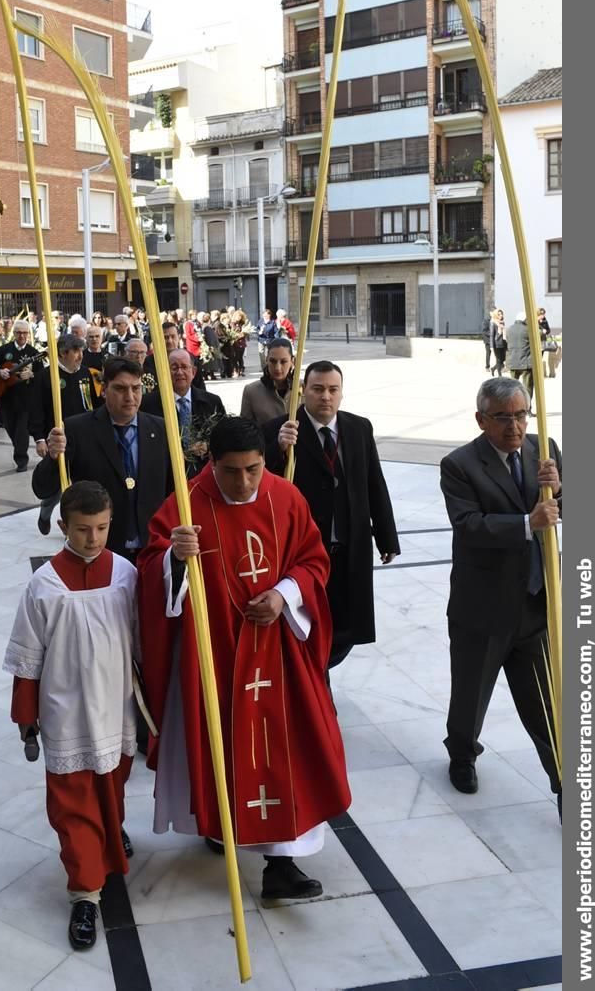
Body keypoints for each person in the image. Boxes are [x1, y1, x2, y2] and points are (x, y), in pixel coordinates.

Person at [138, 416, 351, 904]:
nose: (244, 482)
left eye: (253, 469)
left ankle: (282, 864)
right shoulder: (187, 504)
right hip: (213, 655)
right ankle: (218, 826)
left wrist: (283, 593)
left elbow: (314, 560)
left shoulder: (285, 496)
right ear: (212, 463)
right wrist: (172, 559)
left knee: (285, 749)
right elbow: (149, 572)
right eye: (231, 471)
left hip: (277, 654)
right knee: (221, 747)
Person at [4, 481, 138, 952]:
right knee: (72, 806)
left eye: (102, 528)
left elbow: (143, 642)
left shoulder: (125, 574)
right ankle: (85, 894)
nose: (94, 539)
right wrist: (26, 716)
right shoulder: (44, 586)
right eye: (83, 529)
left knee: (111, 787)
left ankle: (110, 832)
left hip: (115, 709)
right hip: (65, 713)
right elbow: (28, 658)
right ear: (62, 527)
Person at [439, 378, 562, 807]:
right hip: (483, 607)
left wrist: (561, 487)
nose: (515, 426)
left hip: (534, 601)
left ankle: (563, 781)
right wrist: (527, 523)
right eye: (503, 417)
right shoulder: (459, 464)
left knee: (545, 703)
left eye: (520, 415)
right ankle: (461, 755)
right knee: (471, 694)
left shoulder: (541, 447)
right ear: (481, 419)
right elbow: (468, 525)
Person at [264, 361, 399, 667]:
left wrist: (387, 537)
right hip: (305, 552)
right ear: (303, 391)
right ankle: (317, 684)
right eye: (318, 389)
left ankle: (323, 673)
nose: (326, 396)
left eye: (332, 390)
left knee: (346, 624)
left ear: (341, 393)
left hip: (350, 546)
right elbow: (263, 484)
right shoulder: (283, 429)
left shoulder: (358, 428)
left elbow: (373, 482)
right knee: (307, 622)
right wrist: (278, 450)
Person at [34, 357, 171, 561]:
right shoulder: (77, 429)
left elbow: (172, 488)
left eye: (136, 388)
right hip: (99, 549)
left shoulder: (160, 428)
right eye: (120, 389)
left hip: (151, 549)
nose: (130, 397)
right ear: (104, 390)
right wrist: (53, 457)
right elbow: (42, 487)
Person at [34, 334, 95, 535]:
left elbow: (93, 404)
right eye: (76, 351)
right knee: (59, 485)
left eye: (81, 351)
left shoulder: (86, 374)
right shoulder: (46, 376)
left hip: (85, 437)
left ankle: (73, 525)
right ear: (63, 353)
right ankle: (46, 511)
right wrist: (40, 439)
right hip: (58, 440)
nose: (80, 356)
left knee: (80, 483)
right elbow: (37, 410)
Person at [141, 349, 225, 480]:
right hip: (165, 476)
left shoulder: (212, 402)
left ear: (193, 372)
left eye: (184, 367)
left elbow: (224, 438)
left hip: (205, 475)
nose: (179, 372)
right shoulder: (147, 404)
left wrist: (208, 446)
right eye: (174, 368)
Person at [0, 319, 43, 471]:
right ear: (14, 333)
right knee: (10, 427)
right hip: (6, 396)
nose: (22, 336)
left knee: (22, 428)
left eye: (24, 333)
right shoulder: (5, 350)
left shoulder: (33, 353)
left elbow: (42, 374)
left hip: (26, 398)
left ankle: (21, 459)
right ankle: (20, 448)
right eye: (19, 333)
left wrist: (32, 374)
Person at [240, 337, 294, 426]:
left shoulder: (304, 388)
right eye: (273, 361)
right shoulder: (251, 391)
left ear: (292, 361)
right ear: (266, 360)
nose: (278, 368)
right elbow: (245, 431)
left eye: (283, 361)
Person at [505, 311, 533, 401]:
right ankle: (527, 407)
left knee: (512, 387)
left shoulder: (509, 329)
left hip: (512, 361)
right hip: (525, 362)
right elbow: (540, 336)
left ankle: (512, 405)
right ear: (525, 319)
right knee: (527, 386)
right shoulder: (528, 329)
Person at [490, 309, 507, 377]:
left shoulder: (502, 322)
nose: (501, 315)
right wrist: (491, 346)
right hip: (496, 344)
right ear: (496, 315)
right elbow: (492, 335)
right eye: (499, 314)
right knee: (498, 360)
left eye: (501, 314)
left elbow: (504, 334)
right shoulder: (493, 323)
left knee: (502, 359)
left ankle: (493, 368)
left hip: (503, 343)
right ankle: (500, 375)